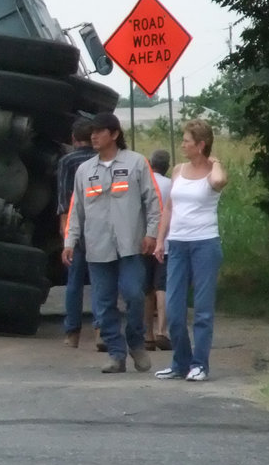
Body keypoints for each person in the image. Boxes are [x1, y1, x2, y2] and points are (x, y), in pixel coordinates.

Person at [63, 112, 160, 374]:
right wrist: (69, 241)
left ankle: (136, 342)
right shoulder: (85, 171)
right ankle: (116, 354)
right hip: (97, 247)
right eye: (91, 132)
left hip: (131, 245)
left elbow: (153, 202)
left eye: (99, 131)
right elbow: (76, 210)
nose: (93, 136)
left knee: (133, 294)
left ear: (114, 134)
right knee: (103, 304)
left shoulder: (136, 163)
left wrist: (152, 233)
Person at [154, 120, 228, 382]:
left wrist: (215, 161)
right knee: (174, 310)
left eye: (187, 141)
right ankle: (180, 362)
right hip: (178, 242)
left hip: (205, 243)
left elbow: (219, 181)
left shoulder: (213, 172)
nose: (183, 145)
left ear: (201, 144)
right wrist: (161, 240)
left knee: (203, 309)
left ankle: (200, 364)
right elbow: (169, 208)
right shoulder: (178, 170)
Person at [56, 118, 98, 349]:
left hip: (75, 227)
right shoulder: (100, 160)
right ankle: (101, 328)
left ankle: (72, 333)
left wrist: (65, 231)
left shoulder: (67, 161)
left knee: (74, 282)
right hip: (99, 227)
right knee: (101, 279)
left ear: (73, 139)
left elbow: (63, 199)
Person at [142, 149, 173, 351]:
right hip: (167, 242)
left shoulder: (144, 182)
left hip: (145, 241)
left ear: (151, 163)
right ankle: (163, 329)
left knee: (146, 289)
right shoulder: (171, 185)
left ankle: (148, 334)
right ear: (167, 166)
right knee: (162, 287)